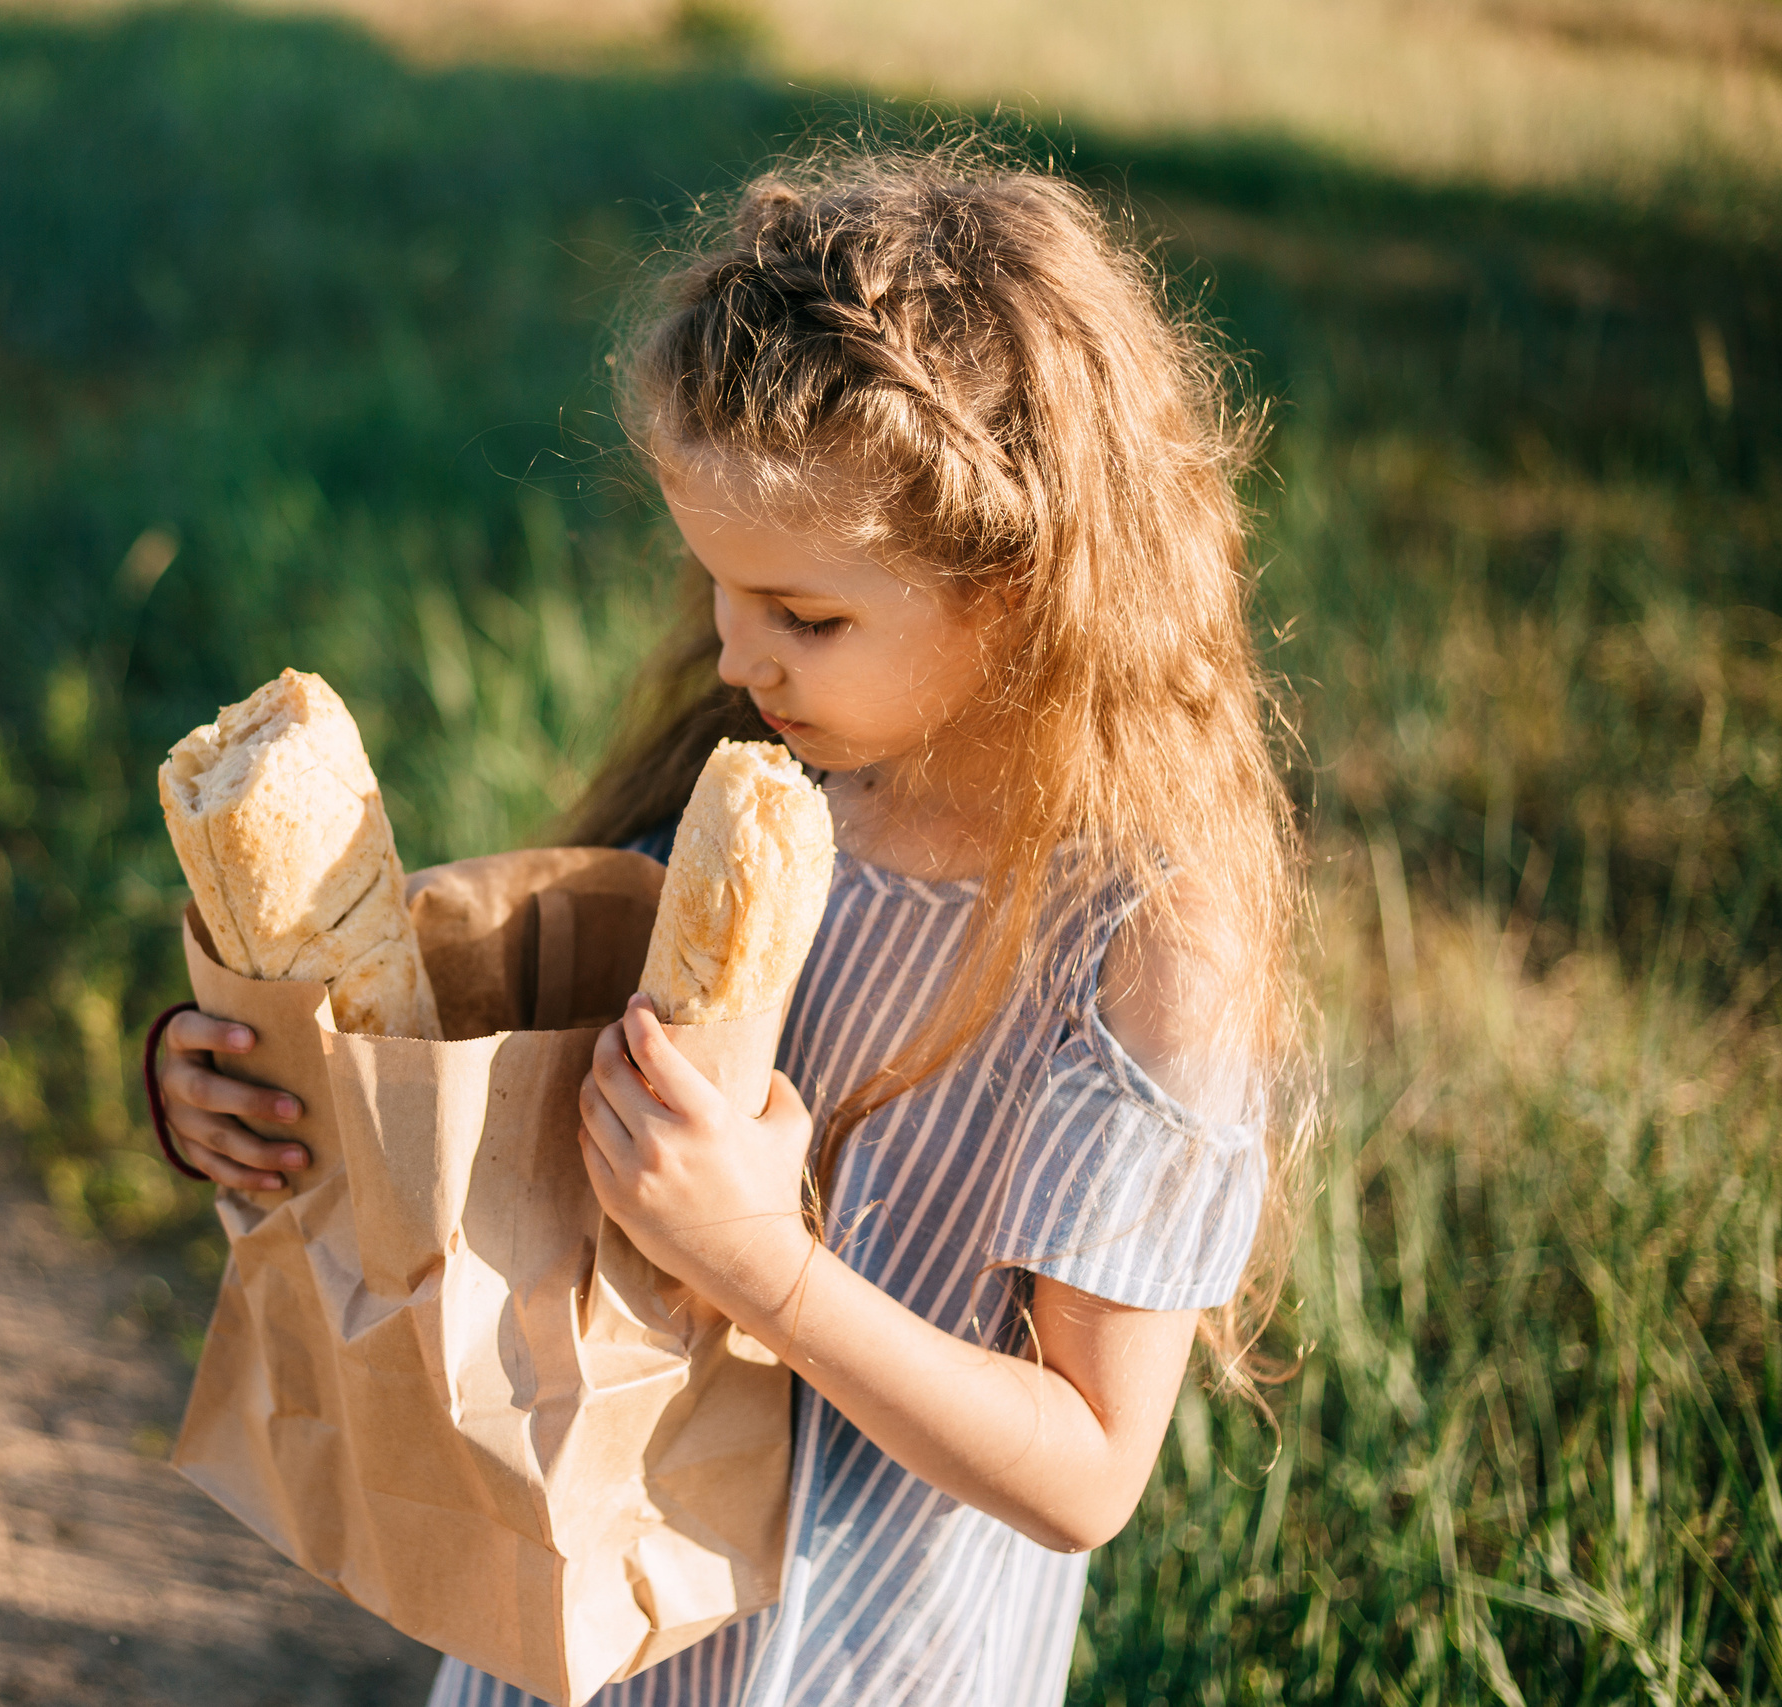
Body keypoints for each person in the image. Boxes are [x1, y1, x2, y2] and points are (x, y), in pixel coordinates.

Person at [152, 146, 1315, 1707]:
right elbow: (480, 1157)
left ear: (1026, 579)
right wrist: (241, 1083)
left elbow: (1089, 1471)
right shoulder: (732, 806)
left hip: (858, 1669)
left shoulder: (1146, 938)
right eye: (717, 588)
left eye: (805, 616)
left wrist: (764, 1265)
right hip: (566, 1646)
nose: (733, 653)